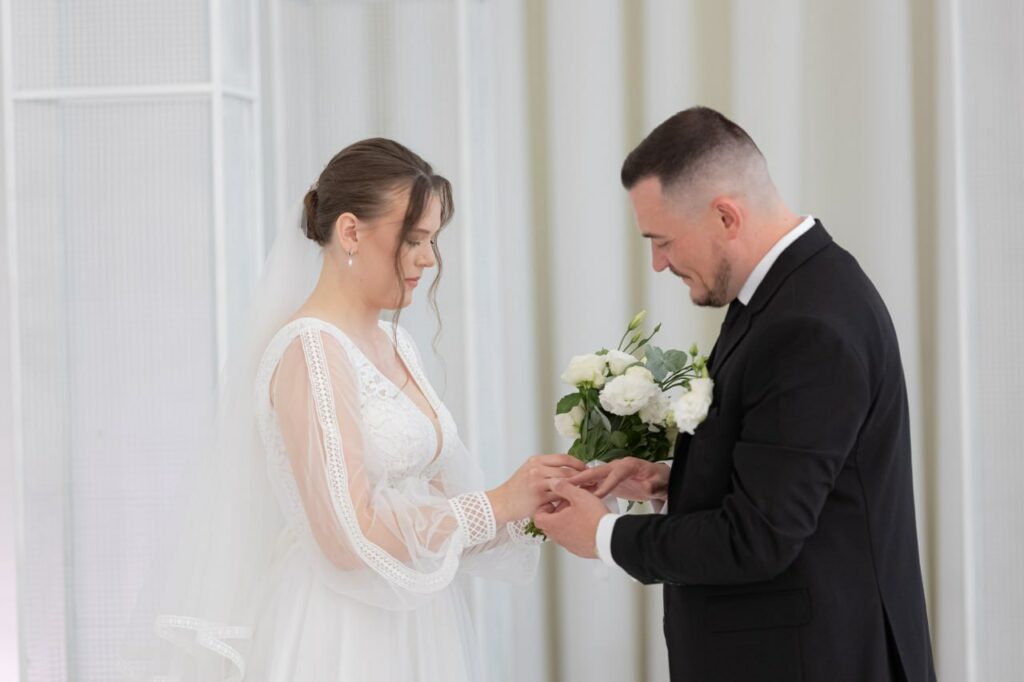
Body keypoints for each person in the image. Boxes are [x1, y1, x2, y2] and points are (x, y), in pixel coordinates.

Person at [120, 138, 581, 681]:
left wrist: (541, 500)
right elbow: (346, 536)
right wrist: (498, 502)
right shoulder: (311, 350)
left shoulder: (397, 343)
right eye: (414, 239)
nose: (428, 259)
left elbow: (439, 508)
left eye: (432, 241)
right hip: (340, 632)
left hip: (412, 621)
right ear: (351, 232)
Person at [535, 107, 936, 681]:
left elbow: (759, 538)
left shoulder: (808, 323)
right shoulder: (791, 290)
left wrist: (604, 534)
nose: (658, 263)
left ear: (726, 216)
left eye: (662, 241)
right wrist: (672, 483)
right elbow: (791, 480)